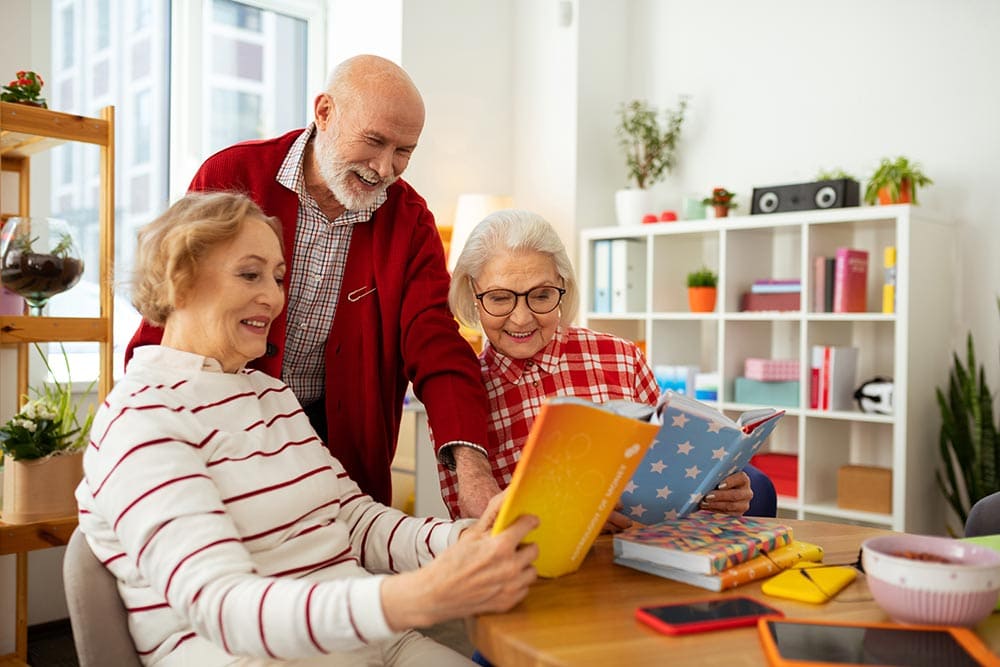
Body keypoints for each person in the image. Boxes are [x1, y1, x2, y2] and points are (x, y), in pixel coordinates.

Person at [78, 192, 537, 666]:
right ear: (179, 284)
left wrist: (463, 539)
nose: (274, 297)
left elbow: (352, 522)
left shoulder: (269, 395)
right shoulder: (141, 418)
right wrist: (411, 597)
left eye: (278, 277)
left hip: (372, 644)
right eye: (250, 274)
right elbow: (224, 609)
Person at [125, 54, 499, 518]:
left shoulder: (410, 220)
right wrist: (143, 421)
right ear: (324, 112)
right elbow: (173, 297)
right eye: (375, 141)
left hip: (342, 444)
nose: (385, 168)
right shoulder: (234, 175)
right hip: (220, 426)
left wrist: (473, 470)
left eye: (403, 151)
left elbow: (436, 341)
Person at [440, 209, 755, 525]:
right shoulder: (459, 393)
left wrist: (716, 494)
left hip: (639, 556)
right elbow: (469, 527)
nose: (522, 318)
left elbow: (671, 476)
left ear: (563, 287)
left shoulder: (622, 358)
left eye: (542, 295)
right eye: (498, 299)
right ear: (473, 295)